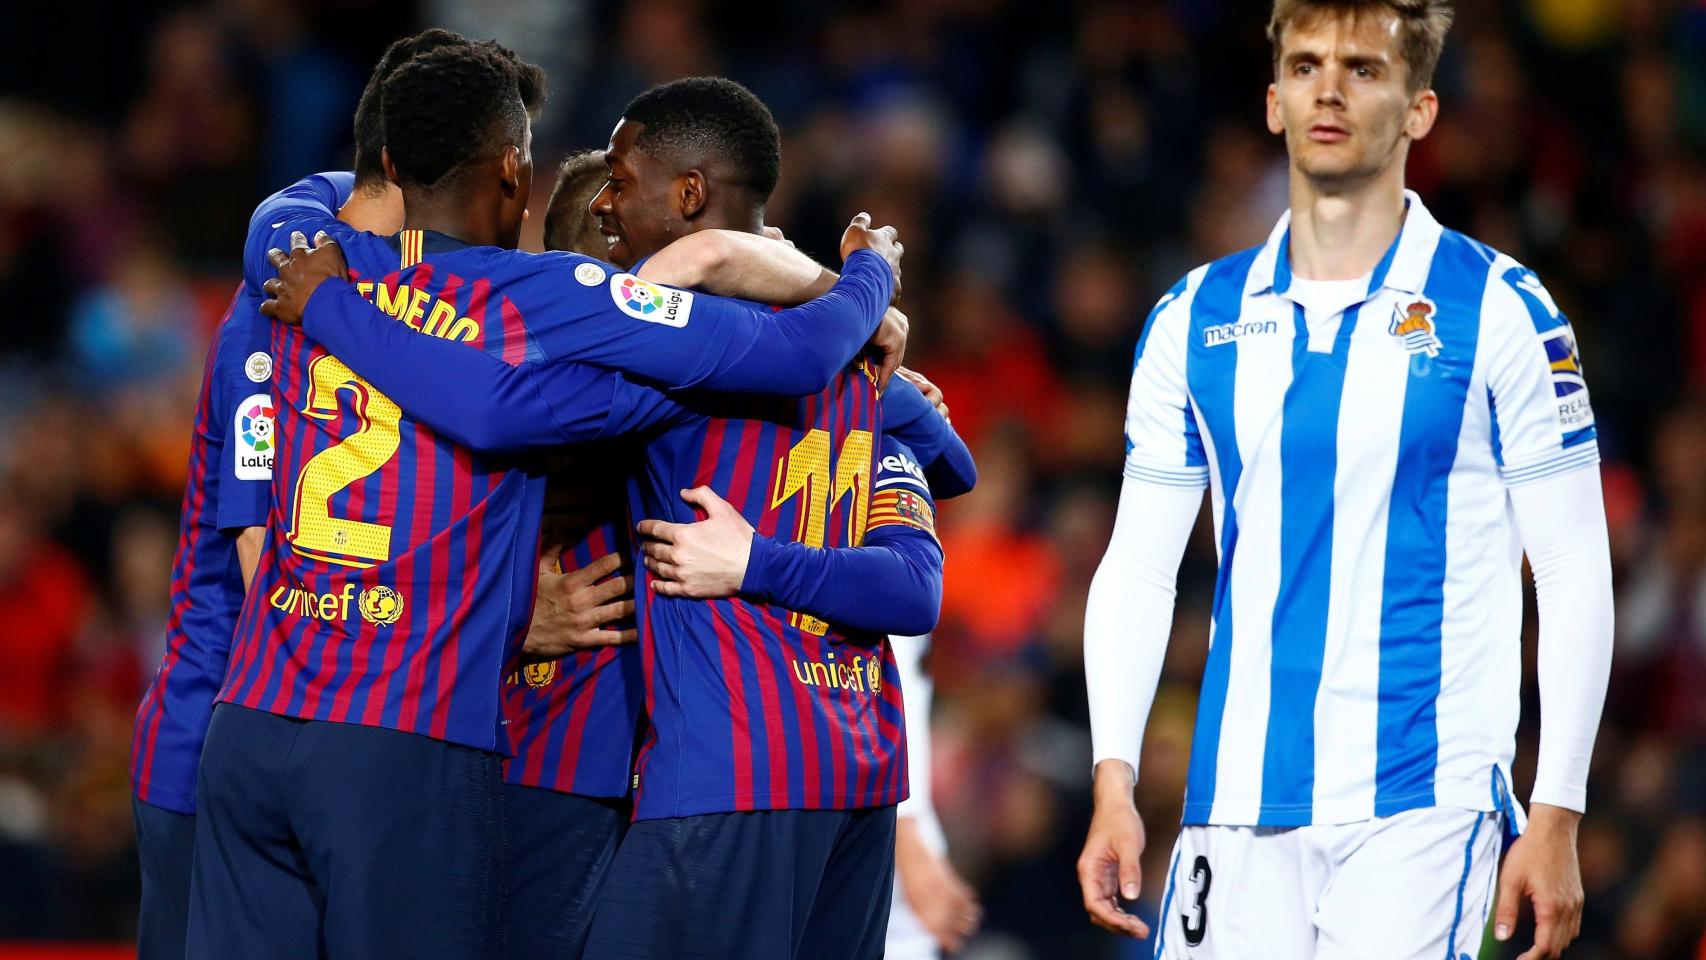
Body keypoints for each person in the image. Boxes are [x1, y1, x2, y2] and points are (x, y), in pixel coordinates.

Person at [188, 43, 902, 959]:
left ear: (391, 165)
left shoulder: (301, 265)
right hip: (405, 733)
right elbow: (801, 357)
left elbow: (283, 218)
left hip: (252, 720)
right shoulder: (548, 296)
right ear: (517, 170)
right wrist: (865, 276)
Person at [1075, 2, 1613, 959]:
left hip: (1421, 800)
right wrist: (1113, 775)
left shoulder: (1500, 309)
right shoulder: (1193, 318)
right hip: (1230, 802)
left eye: (1364, 69)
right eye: (1309, 64)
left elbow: (1572, 570)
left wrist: (1558, 810)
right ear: (1274, 99)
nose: (1330, 86)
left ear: (1420, 109)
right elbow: (1138, 567)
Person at [126, 27, 457, 959]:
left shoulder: (382, 306)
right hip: (217, 751)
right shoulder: (269, 316)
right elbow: (267, 561)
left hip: (321, 751)